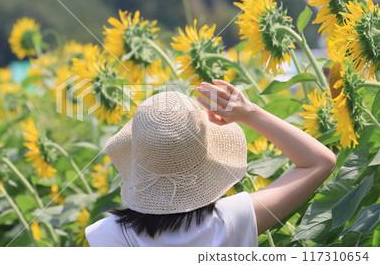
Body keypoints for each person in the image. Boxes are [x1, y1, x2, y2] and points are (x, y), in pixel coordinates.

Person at [85, 79, 336, 247]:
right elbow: (319, 162)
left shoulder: (107, 237)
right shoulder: (234, 220)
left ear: (137, 157)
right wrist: (250, 112)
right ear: (209, 159)